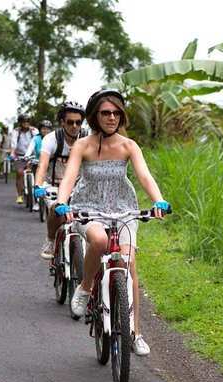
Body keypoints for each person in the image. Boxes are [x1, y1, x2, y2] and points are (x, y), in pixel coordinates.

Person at [53, 89, 170, 356]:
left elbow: (144, 176)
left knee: (128, 265)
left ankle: (135, 333)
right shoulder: (83, 145)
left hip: (123, 210)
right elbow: (70, 177)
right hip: (89, 209)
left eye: (116, 113)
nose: (112, 117)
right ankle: (84, 289)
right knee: (100, 241)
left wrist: (159, 200)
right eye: (106, 113)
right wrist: (62, 201)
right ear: (95, 116)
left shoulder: (129, 146)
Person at [33, 101, 88, 259]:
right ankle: (50, 239)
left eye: (78, 122)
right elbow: (43, 164)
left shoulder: (87, 138)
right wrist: (38, 184)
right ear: (62, 122)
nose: (75, 126)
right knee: (57, 209)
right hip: (53, 185)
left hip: (80, 187)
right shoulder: (52, 139)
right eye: (70, 122)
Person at [24, 120, 54, 211]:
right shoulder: (35, 139)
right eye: (44, 129)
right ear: (40, 130)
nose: (46, 131)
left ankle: (51, 201)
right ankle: (37, 202)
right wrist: (26, 156)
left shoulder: (53, 138)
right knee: (37, 183)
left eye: (48, 129)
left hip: (51, 163)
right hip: (38, 162)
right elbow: (30, 148)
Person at [9, 113, 39, 204]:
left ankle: (35, 195)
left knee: (36, 174)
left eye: (27, 121)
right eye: (24, 122)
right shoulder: (16, 131)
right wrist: (12, 154)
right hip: (20, 155)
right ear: (20, 123)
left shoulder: (34, 131)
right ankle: (20, 195)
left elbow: (37, 142)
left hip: (32, 155)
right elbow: (14, 144)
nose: (26, 123)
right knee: (19, 173)